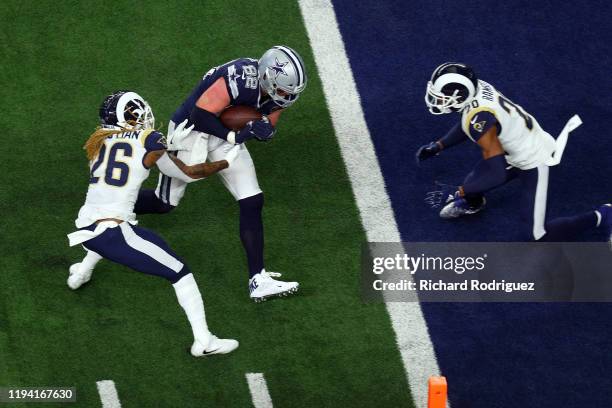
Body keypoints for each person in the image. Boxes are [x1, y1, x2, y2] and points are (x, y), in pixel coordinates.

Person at [67, 90, 240, 357]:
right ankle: (204, 341)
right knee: (180, 271)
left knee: (116, 217)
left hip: (86, 224)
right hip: (113, 233)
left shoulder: (97, 142)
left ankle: (81, 272)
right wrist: (227, 161)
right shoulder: (149, 140)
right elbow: (190, 174)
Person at [133, 46, 307, 302]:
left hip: (224, 131)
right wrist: (235, 136)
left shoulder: (279, 91)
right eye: (283, 90)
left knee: (252, 199)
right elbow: (200, 114)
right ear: (268, 78)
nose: (287, 97)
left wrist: (265, 130)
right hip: (192, 131)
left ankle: (258, 280)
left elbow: (269, 120)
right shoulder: (240, 78)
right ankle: (111, 206)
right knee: (164, 203)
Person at [417, 62, 611, 242]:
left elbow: (497, 173)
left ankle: (603, 216)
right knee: (472, 183)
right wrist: (440, 145)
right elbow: (469, 123)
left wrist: (458, 191)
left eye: (442, 96)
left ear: (460, 96)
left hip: (535, 159)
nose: (437, 100)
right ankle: (473, 202)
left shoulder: (480, 119)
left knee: (536, 235)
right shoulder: (477, 92)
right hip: (518, 145)